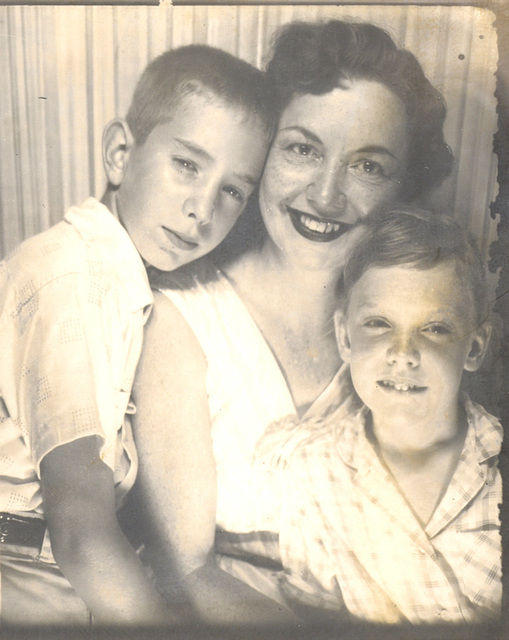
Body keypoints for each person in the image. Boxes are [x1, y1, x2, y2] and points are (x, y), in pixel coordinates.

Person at [131, 20, 453, 625]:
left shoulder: (410, 332)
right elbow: (187, 570)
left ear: (403, 189)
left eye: (368, 167)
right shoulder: (185, 320)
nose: (325, 197)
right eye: (303, 149)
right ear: (262, 153)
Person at [0, 44, 273, 626]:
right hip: (27, 575)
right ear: (121, 153)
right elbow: (80, 533)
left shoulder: (128, 277)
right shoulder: (78, 279)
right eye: (188, 165)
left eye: (233, 191)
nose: (202, 209)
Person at [274, 208, 501, 625]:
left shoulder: (497, 467)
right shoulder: (311, 472)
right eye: (378, 324)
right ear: (344, 336)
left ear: (473, 348)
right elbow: (312, 618)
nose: (402, 353)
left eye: (434, 328)